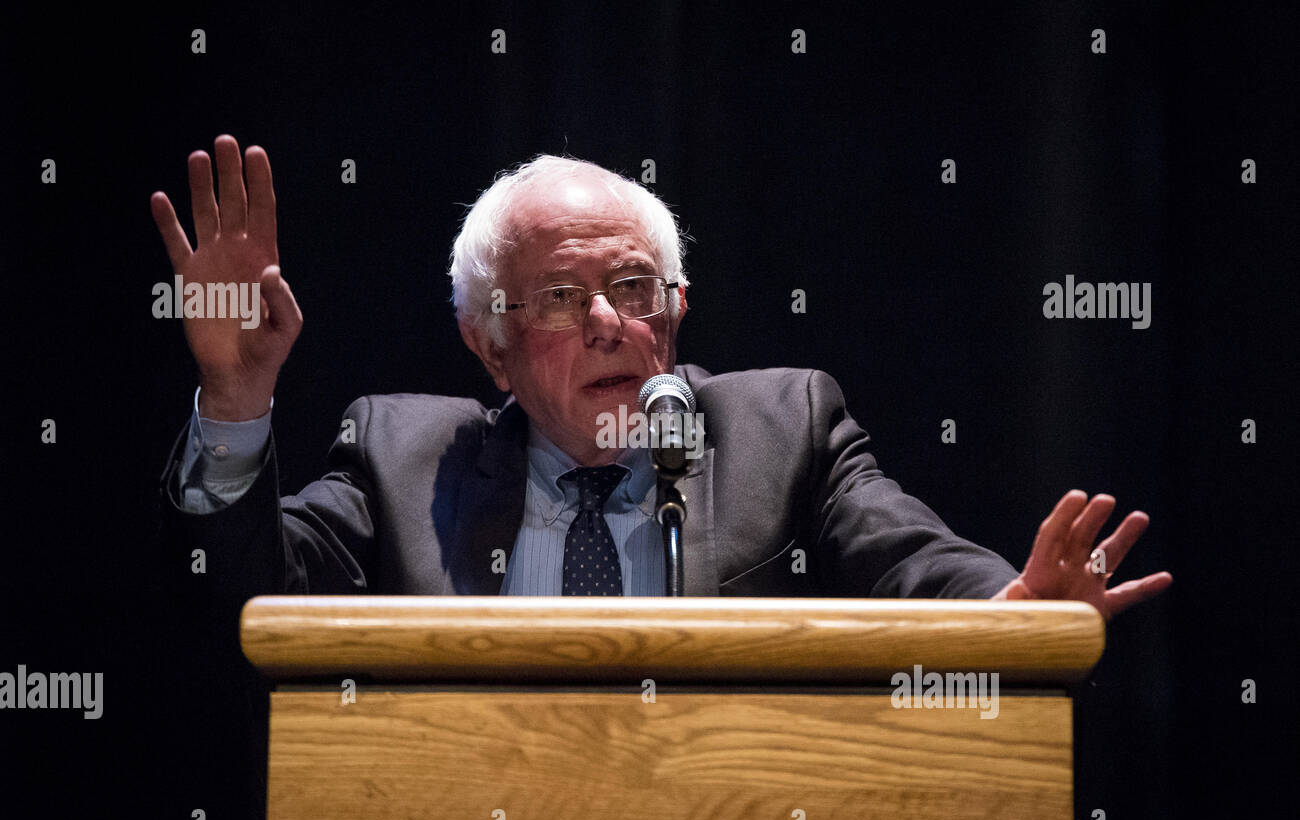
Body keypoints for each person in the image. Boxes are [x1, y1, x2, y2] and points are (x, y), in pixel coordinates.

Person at [152, 135, 1172, 615]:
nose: (606, 322)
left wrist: (1010, 606)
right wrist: (236, 403)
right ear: (486, 341)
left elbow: (912, 558)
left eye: (634, 287)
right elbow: (232, 598)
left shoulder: (784, 428)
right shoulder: (400, 455)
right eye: (557, 297)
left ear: (676, 314)